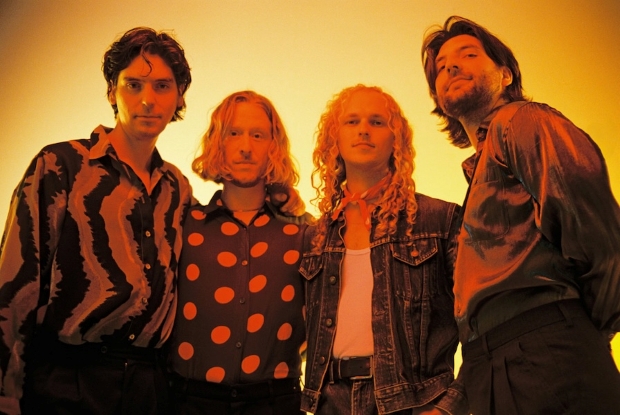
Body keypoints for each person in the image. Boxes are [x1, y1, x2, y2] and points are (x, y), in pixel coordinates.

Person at [421, 16, 620, 414]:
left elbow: (598, 234)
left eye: (468, 54)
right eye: (441, 67)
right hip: (495, 365)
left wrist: (577, 330)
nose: (451, 66)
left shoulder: (522, 122)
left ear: (506, 74)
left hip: (546, 350)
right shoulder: (481, 173)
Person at [0, 27, 193, 415]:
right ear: (111, 91)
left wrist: (280, 196)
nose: (148, 100)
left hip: (149, 387)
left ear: (179, 96)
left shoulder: (177, 187)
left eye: (162, 86)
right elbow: (16, 284)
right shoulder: (61, 165)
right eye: (133, 85)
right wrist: (6, 389)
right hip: (67, 382)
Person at [300, 84, 466, 415]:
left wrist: (450, 406)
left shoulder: (439, 220)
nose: (363, 129)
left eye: (377, 122)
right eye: (352, 121)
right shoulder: (315, 236)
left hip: (415, 404)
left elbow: (480, 324)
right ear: (334, 140)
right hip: (330, 403)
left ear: (396, 141)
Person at [167, 90, 312, 414]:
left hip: (276, 403)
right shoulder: (184, 226)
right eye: (234, 133)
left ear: (274, 146)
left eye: (258, 135)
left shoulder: (304, 232)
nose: (246, 147)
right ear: (218, 142)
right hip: (190, 402)